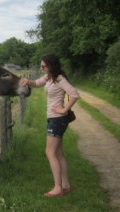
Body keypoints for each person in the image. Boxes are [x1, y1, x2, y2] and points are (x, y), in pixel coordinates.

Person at [20, 54, 80, 197]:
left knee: (50, 152)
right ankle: (65, 185)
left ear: (51, 66)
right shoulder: (49, 77)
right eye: (41, 66)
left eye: (43, 66)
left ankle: (57, 187)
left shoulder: (59, 79)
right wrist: (27, 81)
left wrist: (64, 109)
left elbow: (74, 94)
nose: (41, 68)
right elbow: (36, 83)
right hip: (55, 119)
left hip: (57, 119)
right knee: (58, 153)